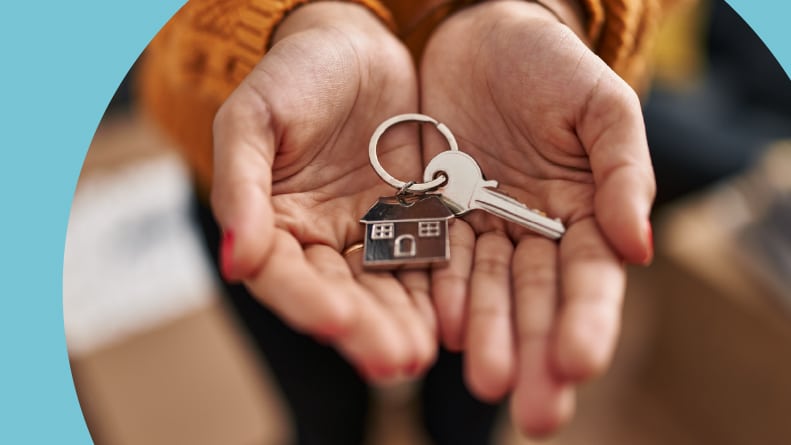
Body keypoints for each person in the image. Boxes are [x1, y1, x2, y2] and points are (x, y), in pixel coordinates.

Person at [137, 0, 664, 443]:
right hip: (285, 188)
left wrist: (551, 7)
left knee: (468, 411)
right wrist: (301, 19)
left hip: (518, 158)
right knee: (321, 413)